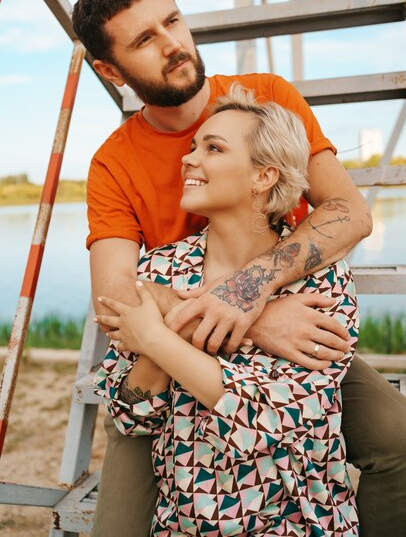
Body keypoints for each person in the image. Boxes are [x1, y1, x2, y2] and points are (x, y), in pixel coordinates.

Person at [70, 0, 406, 537]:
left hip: (293, 339)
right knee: (126, 478)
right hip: (176, 357)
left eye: (173, 21)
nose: (174, 45)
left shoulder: (266, 100)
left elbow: (348, 212)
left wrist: (252, 288)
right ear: (111, 70)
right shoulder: (114, 162)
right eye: (145, 40)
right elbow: (115, 298)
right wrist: (250, 319)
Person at [94, 84, 360, 536]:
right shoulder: (161, 266)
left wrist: (158, 335)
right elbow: (130, 413)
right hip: (179, 524)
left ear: (264, 176)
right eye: (194, 146)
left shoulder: (322, 282)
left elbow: (270, 423)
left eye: (213, 148)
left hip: (291, 522)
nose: (189, 158)